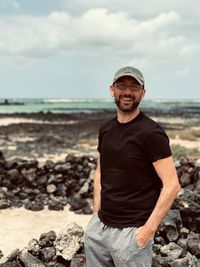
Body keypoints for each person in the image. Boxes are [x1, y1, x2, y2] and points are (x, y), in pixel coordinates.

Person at [84, 66, 180, 267]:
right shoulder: (106, 129)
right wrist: (95, 215)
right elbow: (101, 170)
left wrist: (147, 231)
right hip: (99, 229)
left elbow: (172, 185)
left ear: (142, 93)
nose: (127, 92)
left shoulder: (152, 133)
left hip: (132, 235)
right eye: (122, 86)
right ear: (112, 90)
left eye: (134, 87)